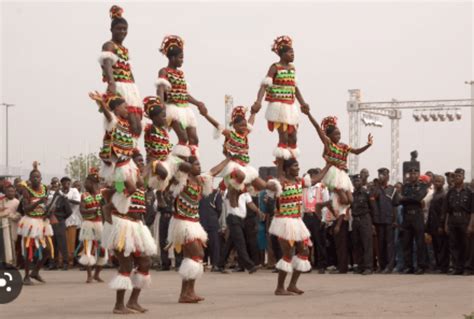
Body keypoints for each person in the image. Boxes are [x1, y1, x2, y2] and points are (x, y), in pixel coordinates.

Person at [167, 156, 229, 303]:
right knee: (198, 254)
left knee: (191, 258)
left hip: (194, 222)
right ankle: (186, 292)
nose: (199, 166)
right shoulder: (181, 180)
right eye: (195, 164)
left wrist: (229, 158)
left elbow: (214, 171)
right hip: (182, 223)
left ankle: (188, 292)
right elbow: (175, 172)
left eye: (199, 163)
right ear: (189, 166)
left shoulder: (201, 180)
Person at [101, 152, 157, 314]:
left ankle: (133, 302)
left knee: (145, 263)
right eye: (138, 161)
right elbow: (117, 188)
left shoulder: (138, 178)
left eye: (142, 161)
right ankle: (118, 305)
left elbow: (142, 180)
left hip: (137, 226)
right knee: (126, 265)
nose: (140, 163)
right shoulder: (120, 176)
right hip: (122, 225)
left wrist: (151, 163)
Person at [268, 159, 330, 295]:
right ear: (287, 168)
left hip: (297, 221)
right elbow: (276, 177)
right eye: (295, 166)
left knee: (304, 252)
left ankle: (292, 285)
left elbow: (316, 179)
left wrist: (328, 165)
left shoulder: (299, 182)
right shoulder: (281, 183)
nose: (298, 168)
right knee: (288, 253)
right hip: (284, 223)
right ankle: (279, 288)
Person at [200, 105, 274, 210]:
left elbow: (251, 123)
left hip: (245, 166)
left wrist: (253, 113)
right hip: (233, 165)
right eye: (241, 126)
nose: (244, 127)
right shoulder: (231, 135)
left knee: (263, 185)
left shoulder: (245, 135)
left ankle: (241, 193)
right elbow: (217, 125)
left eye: (245, 126)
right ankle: (231, 195)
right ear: (234, 126)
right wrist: (206, 115)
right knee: (241, 176)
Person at [302, 108, 373, 214]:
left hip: (343, 174)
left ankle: (328, 207)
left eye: (339, 134)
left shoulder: (344, 146)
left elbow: (357, 152)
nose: (338, 136)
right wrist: (308, 114)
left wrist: (368, 145)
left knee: (350, 200)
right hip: (333, 173)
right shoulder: (328, 144)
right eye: (336, 134)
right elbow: (317, 127)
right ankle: (321, 205)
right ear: (329, 136)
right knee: (344, 200)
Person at [252, 35, 310, 163]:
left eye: (293, 52)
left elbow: (294, 88)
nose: (293, 55)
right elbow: (265, 85)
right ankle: (280, 170)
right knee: (283, 137)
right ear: (282, 54)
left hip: (291, 106)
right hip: (279, 107)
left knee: (293, 138)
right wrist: (258, 101)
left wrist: (303, 103)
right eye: (290, 52)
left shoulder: (292, 69)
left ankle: (291, 164)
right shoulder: (275, 67)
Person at [156, 35, 207, 157]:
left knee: (194, 139)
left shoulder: (180, 73)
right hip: (173, 109)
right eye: (180, 58)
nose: (182, 60)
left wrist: (198, 103)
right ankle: (178, 165)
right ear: (172, 58)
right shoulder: (164, 71)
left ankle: (192, 164)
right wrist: (161, 105)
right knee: (183, 138)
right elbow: (160, 89)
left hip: (186, 109)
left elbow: (184, 94)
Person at [89, 91, 138, 215]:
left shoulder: (126, 124)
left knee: (136, 184)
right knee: (132, 188)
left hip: (127, 162)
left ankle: (108, 194)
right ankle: (109, 206)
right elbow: (107, 114)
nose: (127, 109)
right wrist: (101, 103)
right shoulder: (113, 121)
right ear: (116, 108)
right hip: (118, 165)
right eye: (124, 107)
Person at [99, 5, 142, 137]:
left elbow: (129, 70)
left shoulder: (125, 49)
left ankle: (132, 150)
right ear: (111, 29)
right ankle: (119, 151)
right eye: (119, 29)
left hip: (130, 87)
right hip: (118, 86)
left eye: (125, 29)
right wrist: (111, 82)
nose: (122, 32)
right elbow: (107, 63)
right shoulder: (109, 45)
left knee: (137, 125)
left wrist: (135, 89)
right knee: (122, 120)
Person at [142, 96, 187, 206]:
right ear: (154, 117)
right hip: (154, 160)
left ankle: (166, 190)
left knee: (187, 166)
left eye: (165, 116)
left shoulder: (163, 129)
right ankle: (152, 190)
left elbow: (183, 135)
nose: (165, 118)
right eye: (162, 116)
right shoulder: (151, 128)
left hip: (167, 158)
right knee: (164, 173)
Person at [18, 162, 54, 285]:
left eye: (38, 177)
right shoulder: (26, 191)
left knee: (48, 250)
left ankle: (35, 272)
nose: (36, 179)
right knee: (29, 249)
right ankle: (26, 276)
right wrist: (39, 202)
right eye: (33, 177)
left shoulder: (44, 188)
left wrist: (49, 211)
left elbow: (46, 204)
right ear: (30, 179)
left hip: (42, 222)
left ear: (41, 178)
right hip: (30, 222)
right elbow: (26, 209)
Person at [443, 168, 474, 275]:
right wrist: (446, 224)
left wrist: (471, 225)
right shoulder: (450, 192)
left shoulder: (469, 192)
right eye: (455, 176)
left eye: (459, 176)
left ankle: (467, 268)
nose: (457, 178)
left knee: (466, 246)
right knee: (454, 245)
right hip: (453, 220)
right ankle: (457, 267)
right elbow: (447, 210)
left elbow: (472, 211)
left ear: (463, 177)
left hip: (464, 220)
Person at [398, 166, 429, 274]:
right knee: (407, 242)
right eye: (411, 174)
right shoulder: (405, 186)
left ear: (418, 175)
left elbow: (419, 198)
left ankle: (421, 266)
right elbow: (399, 200)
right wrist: (411, 199)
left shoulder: (423, 186)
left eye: (415, 173)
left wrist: (406, 198)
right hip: (407, 216)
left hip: (417, 216)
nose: (413, 175)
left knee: (420, 243)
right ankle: (408, 266)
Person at [78, 168, 107, 283]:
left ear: (94, 183)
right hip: (88, 225)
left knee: (103, 251)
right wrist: (93, 211)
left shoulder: (102, 194)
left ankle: (97, 274)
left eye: (87, 182)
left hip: (100, 224)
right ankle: (89, 275)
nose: (85, 184)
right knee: (87, 250)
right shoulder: (84, 196)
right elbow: (82, 210)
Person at [302, 168, 331, 273]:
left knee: (320, 242)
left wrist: (324, 219)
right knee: (306, 242)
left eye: (312, 176)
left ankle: (322, 265)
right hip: (306, 216)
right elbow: (301, 204)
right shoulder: (304, 188)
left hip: (317, 216)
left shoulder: (322, 187)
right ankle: (307, 264)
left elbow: (326, 204)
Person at [372, 167, 397, 273]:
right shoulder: (374, 189)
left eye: (384, 174)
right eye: (380, 174)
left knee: (389, 244)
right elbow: (372, 203)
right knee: (380, 244)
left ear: (388, 176)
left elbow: (395, 205)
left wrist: (395, 220)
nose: (382, 176)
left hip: (389, 220)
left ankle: (389, 266)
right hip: (378, 220)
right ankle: (381, 265)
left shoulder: (392, 189)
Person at [351, 174, 375, 275]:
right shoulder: (353, 194)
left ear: (362, 181)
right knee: (357, 244)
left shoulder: (366, 193)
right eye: (355, 181)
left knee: (367, 244)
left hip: (365, 219)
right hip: (355, 220)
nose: (357, 182)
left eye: (358, 181)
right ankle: (360, 266)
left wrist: (373, 223)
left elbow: (373, 208)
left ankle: (368, 267)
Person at [426, 175, 449, 273]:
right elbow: (431, 211)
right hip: (432, 225)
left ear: (443, 183)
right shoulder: (434, 195)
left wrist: (441, 225)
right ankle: (438, 265)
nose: (437, 183)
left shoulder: (444, 195)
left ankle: (443, 267)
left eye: (439, 182)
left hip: (439, 225)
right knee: (435, 246)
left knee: (442, 247)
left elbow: (443, 212)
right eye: (436, 181)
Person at [61, 176, 82, 269]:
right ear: (61, 184)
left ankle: (70, 262)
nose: (66, 184)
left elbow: (78, 202)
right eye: (64, 183)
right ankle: (61, 261)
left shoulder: (74, 191)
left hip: (72, 219)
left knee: (71, 242)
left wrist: (67, 200)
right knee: (62, 242)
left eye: (68, 183)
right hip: (61, 219)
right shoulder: (59, 192)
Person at [0, 184, 21, 265]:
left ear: (14, 192)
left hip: (13, 226)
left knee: (12, 245)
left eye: (12, 191)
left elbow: (18, 216)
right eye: (8, 191)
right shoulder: (2, 201)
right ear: (5, 192)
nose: (10, 193)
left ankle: (12, 263)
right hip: (3, 226)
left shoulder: (17, 202)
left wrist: (9, 215)